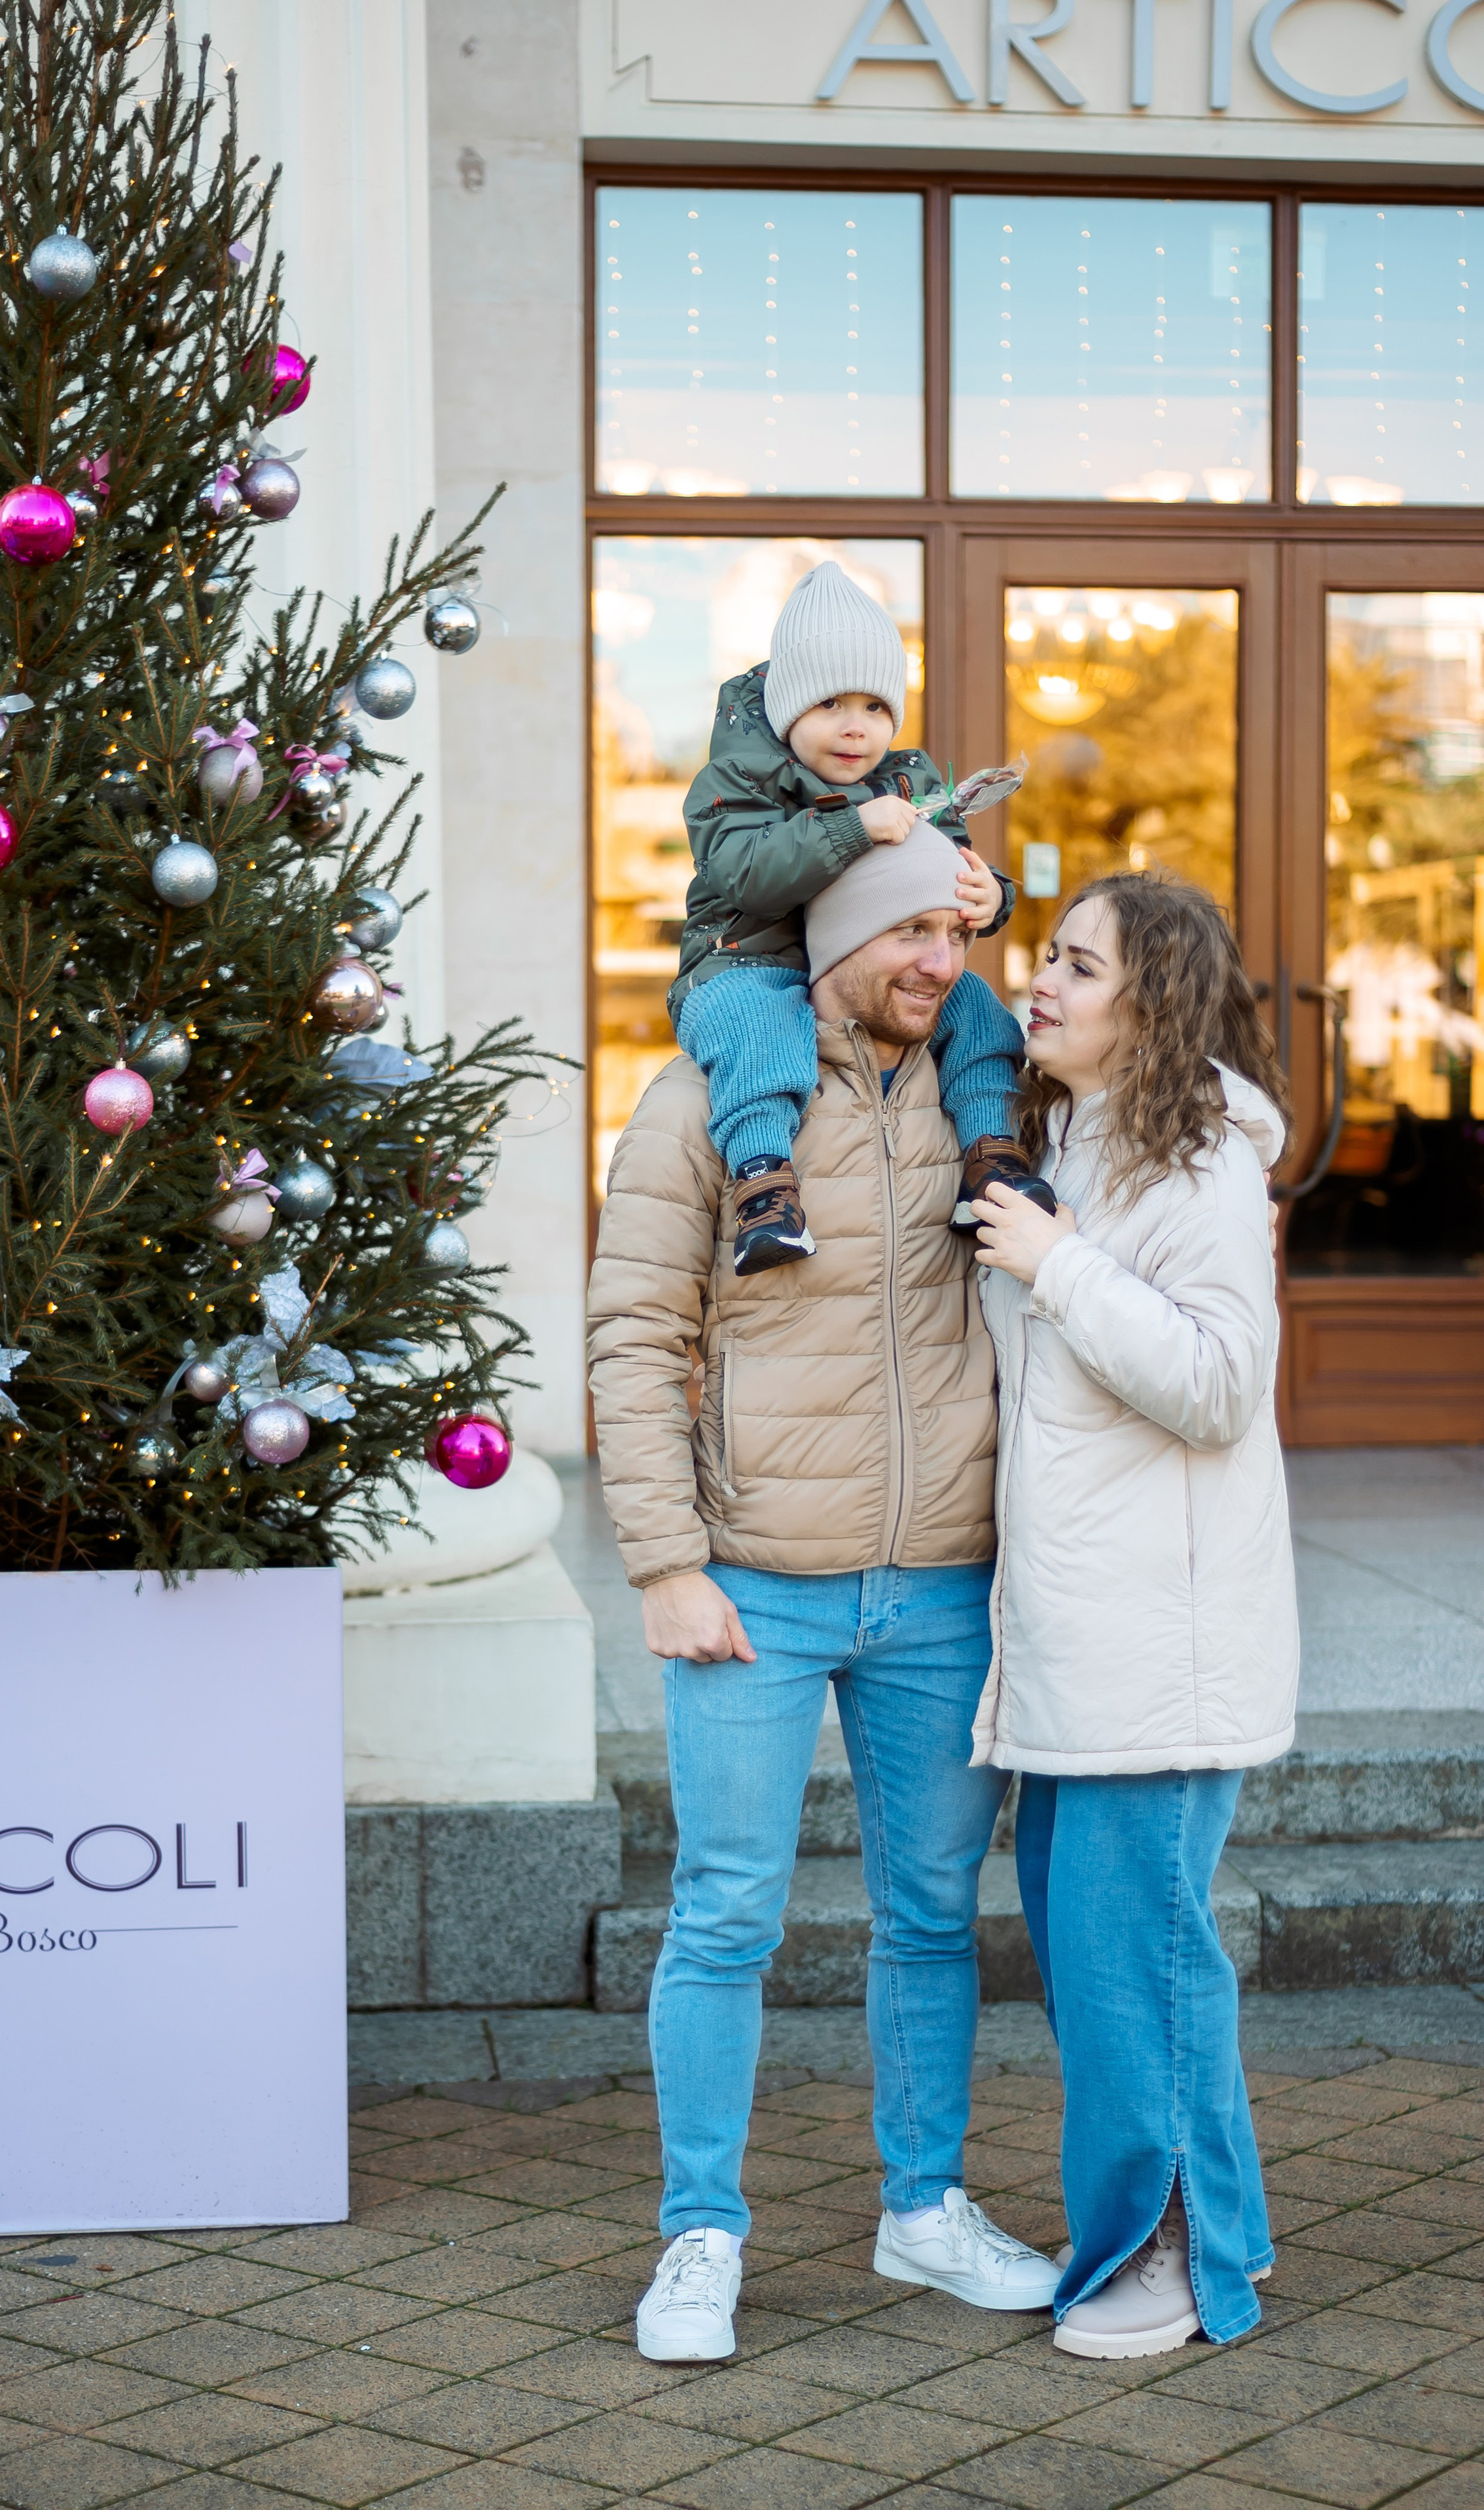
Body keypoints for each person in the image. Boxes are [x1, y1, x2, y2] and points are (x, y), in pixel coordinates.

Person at [589, 816, 1060, 2367]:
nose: (941, 961)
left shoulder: (983, 1100)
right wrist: (663, 1562)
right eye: (910, 932)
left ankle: (920, 2208)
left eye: (957, 934)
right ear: (836, 938)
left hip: (940, 1584)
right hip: (754, 1582)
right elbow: (635, 1336)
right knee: (724, 1914)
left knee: (930, 1915)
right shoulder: (702, 1103)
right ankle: (699, 2234)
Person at [969, 871, 1299, 2361]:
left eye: (1079, 965)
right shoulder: (1069, 1137)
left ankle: (1160, 2253)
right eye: (1045, 953)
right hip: (1070, 1630)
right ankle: (1217, 2227)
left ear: (1152, 1001)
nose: (1039, 981)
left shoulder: (1202, 1164)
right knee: (1119, 1963)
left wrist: (1060, 1266)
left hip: (1158, 1645)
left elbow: (1219, 1384)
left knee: (1129, 1976)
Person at [670, 560, 1056, 1275]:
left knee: (976, 1009)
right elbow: (743, 872)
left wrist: (988, 895)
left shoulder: (907, 781)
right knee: (760, 1025)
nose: (856, 728)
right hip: (747, 962)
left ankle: (990, 1158)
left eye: (876, 708)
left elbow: (948, 861)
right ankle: (763, 1184)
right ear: (788, 709)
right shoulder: (738, 779)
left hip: (867, 979)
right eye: (831, 705)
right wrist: (852, 827)